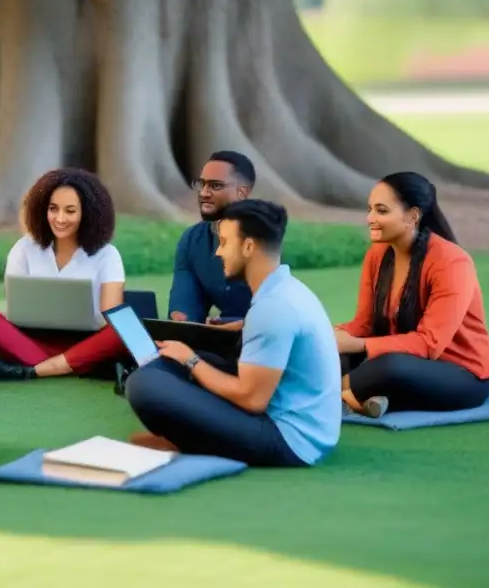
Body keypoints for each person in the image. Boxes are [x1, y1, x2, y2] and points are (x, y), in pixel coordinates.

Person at [126, 200, 341, 468]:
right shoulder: (286, 289)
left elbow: (252, 400)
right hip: (303, 425)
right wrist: (240, 327)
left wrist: (191, 360)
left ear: (248, 246)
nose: (218, 252)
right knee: (164, 365)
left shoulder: (274, 308)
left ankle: (186, 442)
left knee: (144, 385)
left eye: (225, 242)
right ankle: (187, 438)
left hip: (290, 440)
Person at [333, 172, 489, 418]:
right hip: (400, 360)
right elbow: (364, 324)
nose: (370, 218)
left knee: (390, 367)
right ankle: (364, 398)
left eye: (381, 210)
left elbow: (429, 344)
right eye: (370, 209)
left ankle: (329, 396)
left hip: (461, 374)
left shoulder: (451, 261)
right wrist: (330, 336)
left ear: (413, 216)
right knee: (332, 354)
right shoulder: (377, 255)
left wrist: (358, 344)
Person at [0, 168, 127, 381]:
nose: (59, 218)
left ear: (88, 213)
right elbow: (15, 308)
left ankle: (35, 369)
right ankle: (77, 365)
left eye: (70, 211)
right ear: (42, 209)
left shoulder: (107, 255)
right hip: (33, 339)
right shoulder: (24, 248)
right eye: (53, 209)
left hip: (87, 340)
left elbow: (111, 316)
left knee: (126, 327)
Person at [168, 151, 256, 330]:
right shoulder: (192, 240)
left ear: (242, 192)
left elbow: (279, 315)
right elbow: (185, 305)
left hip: (268, 343)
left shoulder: (262, 238)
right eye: (201, 184)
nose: (204, 193)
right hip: (221, 341)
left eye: (215, 186)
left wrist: (230, 326)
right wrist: (182, 321)